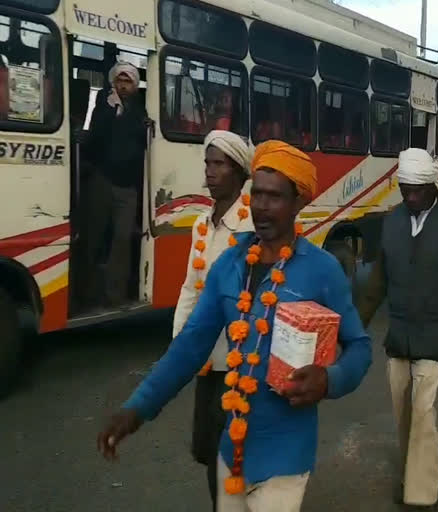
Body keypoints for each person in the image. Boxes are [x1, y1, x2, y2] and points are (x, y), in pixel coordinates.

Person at [97, 140, 372, 512]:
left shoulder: (323, 270)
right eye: (256, 193)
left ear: (298, 203)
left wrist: (329, 380)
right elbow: (190, 347)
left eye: (274, 197)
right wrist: (136, 409)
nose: (261, 206)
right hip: (232, 449)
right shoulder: (229, 264)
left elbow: (360, 348)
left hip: (285, 457)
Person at [357, 148, 438, 510]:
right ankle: (410, 474)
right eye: (404, 189)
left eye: (415, 190)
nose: (409, 196)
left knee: (424, 416)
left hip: (434, 339)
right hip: (399, 338)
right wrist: (354, 327)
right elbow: (377, 284)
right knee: (403, 416)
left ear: (432, 187)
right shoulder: (392, 221)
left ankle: (422, 496)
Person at [173, 131, 255, 507]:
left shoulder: (255, 225)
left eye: (218, 164)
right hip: (208, 361)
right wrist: (180, 348)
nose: (209, 172)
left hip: (242, 364)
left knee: (232, 455)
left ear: (239, 172)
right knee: (207, 450)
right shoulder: (201, 225)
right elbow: (191, 287)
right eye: (207, 163)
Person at [83, 62, 149, 308]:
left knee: (122, 241)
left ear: (134, 85)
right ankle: (85, 294)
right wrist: (110, 112)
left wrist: (125, 114)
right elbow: (94, 138)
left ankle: (115, 296)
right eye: (120, 81)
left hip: (127, 185)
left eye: (128, 81)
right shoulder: (103, 103)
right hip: (102, 180)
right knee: (94, 237)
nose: (123, 85)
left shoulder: (139, 108)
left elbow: (141, 136)